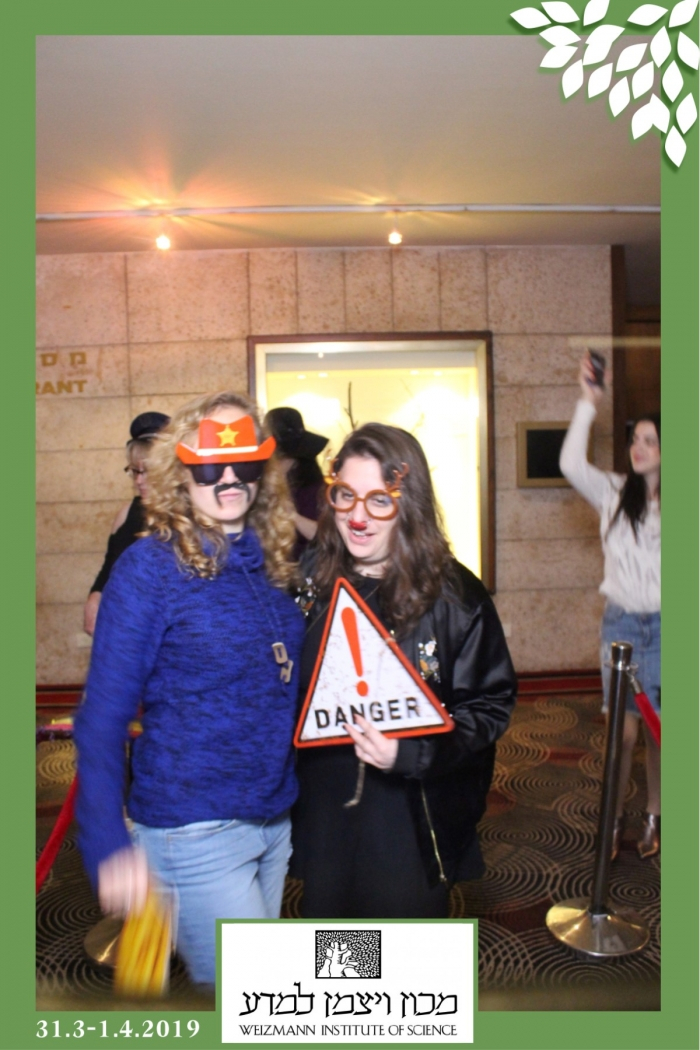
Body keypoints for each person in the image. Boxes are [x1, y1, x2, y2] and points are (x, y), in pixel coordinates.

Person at [73, 392, 305, 986]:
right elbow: (101, 717)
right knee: (254, 998)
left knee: (260, 1003)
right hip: (193, 828)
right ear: (181, 473)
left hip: (272, 821)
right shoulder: (149, 569)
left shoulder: (269, 563)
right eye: (209, 466)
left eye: (244, 462)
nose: (229, 478)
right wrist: (105, 841)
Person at [291, 423, 517, 918]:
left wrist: (411, 753)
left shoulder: (454, 597)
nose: (357, 516)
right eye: (345, 495)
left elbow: (489, 705)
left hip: (411, 815)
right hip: (324, 811)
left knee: (401, 951)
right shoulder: (310, 579)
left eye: (379, 500)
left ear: (408, 504)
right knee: (336, 951)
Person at [560, 354, 660, 860]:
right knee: (622, 733)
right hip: (621, 626)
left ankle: (655, 817)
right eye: (634, 439)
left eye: (650, 441)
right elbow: (570, 465)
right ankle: (614, 817)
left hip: (667, 629)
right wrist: (588, 400)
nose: (638, 448)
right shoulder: (614, 492)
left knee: (661, 733)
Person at [83, 411, 170, 636]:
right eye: (134, 471)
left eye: (147, 472)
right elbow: (109, 569)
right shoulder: (127, 513)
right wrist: (95, 597)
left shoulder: (190, 516)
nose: (139, 480)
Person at [264, 407, 328, 559]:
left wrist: (291, 514)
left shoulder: (316, 491)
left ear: (294, 459)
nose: (274, 464)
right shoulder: (264, 487)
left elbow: (326, 538)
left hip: (307, 568)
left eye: (279, 457)